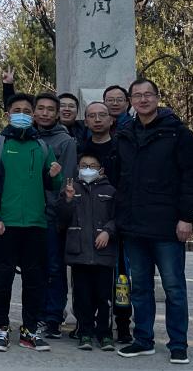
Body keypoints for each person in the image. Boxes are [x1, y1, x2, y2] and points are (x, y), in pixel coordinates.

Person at [115, 78, 193, 365]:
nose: (143, 100)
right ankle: (143, 339)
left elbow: (192, 177)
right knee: (140, 287)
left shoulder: (178, 133)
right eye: (137, 95)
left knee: (174, 287)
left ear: (157, 97)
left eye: (148, 95)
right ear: (131, 101)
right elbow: (119, 178)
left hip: (167, 225)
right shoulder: (125, 135)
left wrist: (187, 217)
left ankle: (178, 344)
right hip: (134, 225)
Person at [0, 92, 63, 353]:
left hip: (36, 224)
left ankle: (29, 330)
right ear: (7, 114)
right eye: (17, 110)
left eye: (27, 111)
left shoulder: (42, 147)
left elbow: (53, 185)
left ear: (34, 115)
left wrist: (56, 175)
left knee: (35, 280)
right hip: (5, 224)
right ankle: (0, 328)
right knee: (2, 279)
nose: (23, 115)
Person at [56, 151, 118, 353]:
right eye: (84, 166)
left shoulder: (110, 190)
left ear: (101, 170)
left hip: (103, 254)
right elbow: (61, 220)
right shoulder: (70, 189)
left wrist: (108, 232)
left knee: (104, 297)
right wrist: (68, 200)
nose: (88, 169)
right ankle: (84, 331)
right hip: (79, 254)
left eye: (92, 166)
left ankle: (105, 333)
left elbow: (117, 217)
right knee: (82, 296)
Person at [83, 100, 130, 343]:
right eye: (92, 115)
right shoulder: (81, 149)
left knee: (121, 277)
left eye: (102, 115)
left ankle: (122, 325)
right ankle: (87, 326)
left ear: (112, 120)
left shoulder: (122, 147)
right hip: (88, 224)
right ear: (86, 121)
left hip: (118, 221)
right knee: (88, 280)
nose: (97, 119)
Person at [32, 91, 78, 339]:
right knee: (34, 268)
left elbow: (67, 181)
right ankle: (36, 314)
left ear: (58, 113)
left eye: (50, 109)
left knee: (54, 268)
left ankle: (52, 317)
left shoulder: (66, 141)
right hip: (28, 215)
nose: (45, 113)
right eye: (40, 108)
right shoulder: (26, 137)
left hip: (51, 215)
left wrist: (61, 214)